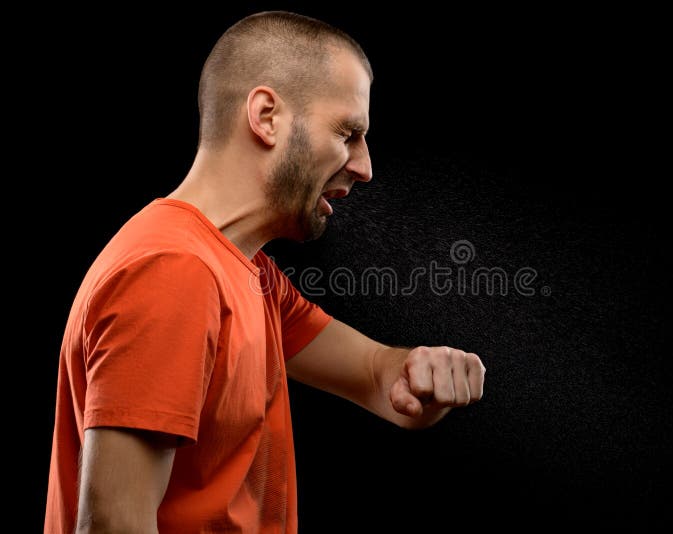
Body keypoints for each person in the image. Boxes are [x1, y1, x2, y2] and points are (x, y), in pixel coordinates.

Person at [45, 11, 485, 534]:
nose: (365, 166)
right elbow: (114, 524)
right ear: (266, 116)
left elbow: (376, 377)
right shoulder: (173, 272)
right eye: (348, 132)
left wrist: (426, 374)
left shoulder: (247, 273)